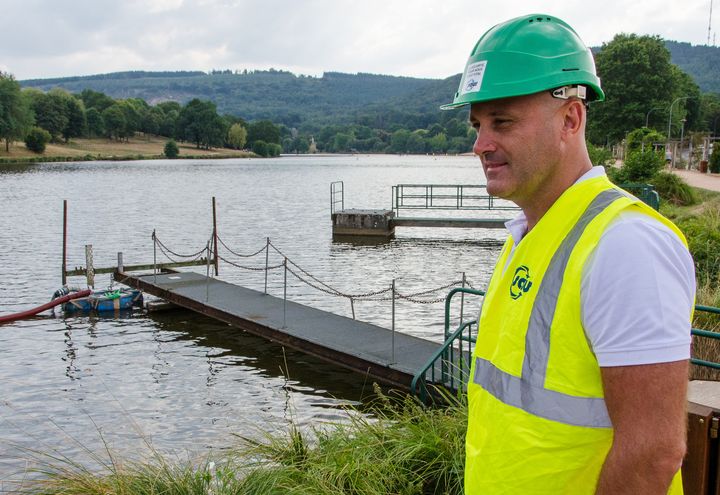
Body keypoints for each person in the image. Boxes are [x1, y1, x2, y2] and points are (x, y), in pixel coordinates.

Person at [441, 14, 695, 494]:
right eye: (477, 124)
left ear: (570, 119)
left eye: (503, 122)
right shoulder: (531, 235)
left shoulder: (625, 245)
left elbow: (653, 454)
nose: (480, 145)